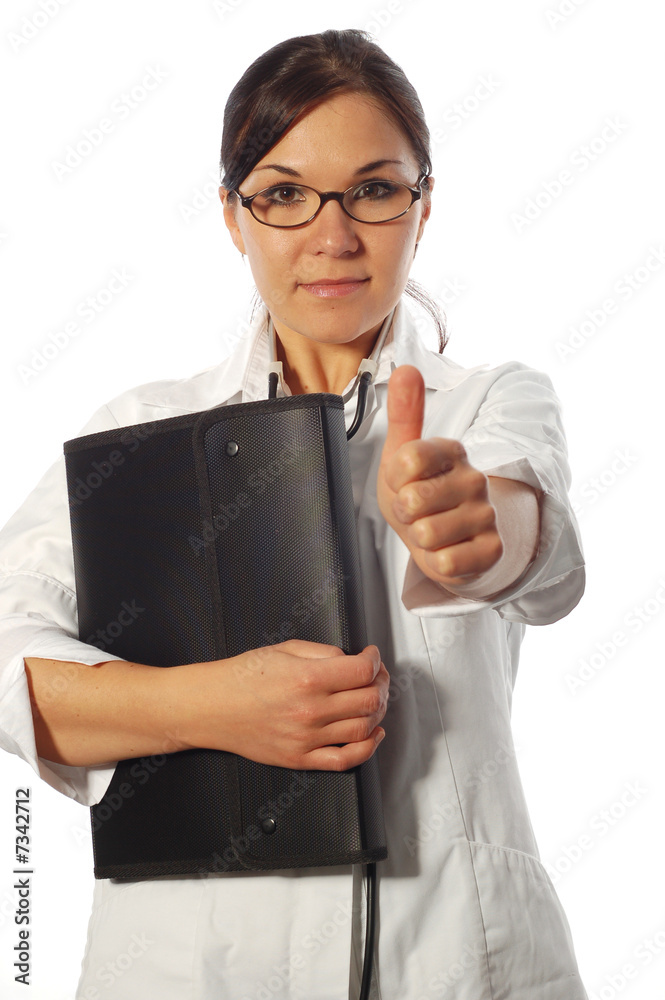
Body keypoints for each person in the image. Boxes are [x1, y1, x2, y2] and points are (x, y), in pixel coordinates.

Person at [0, 28, 588, 1000]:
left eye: (373, 189)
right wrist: (215, 705)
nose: (332, 235)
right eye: (282, 194)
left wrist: (475, 528)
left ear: (423, 205)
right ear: (233, 217)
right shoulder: (137, 434)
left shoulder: (487, 404)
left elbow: (530, 537)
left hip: (455, 961)